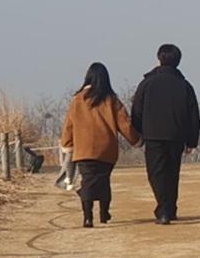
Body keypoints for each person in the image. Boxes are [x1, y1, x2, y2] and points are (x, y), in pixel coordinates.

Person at [60, 63, 141, 228]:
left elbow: (68, 125)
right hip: (107, 150)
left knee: (87, 181)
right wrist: (137, 140)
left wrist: (67, 145)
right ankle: (104, 213)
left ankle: (88, 217)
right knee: (103, 180)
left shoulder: (78, 100)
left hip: (83, 150)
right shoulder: (112, 100)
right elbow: (124, 124)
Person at [131, 43, 200, 225]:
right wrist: (192, 141)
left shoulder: (147, 83)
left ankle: (164, 210)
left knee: (156, 173)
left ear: (159, 59)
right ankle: (170, 209)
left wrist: (138, 133)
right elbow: (193, 115)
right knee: (172, 173)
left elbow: (136, 110)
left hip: (153, 135)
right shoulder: (185, 85)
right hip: (177, 136)